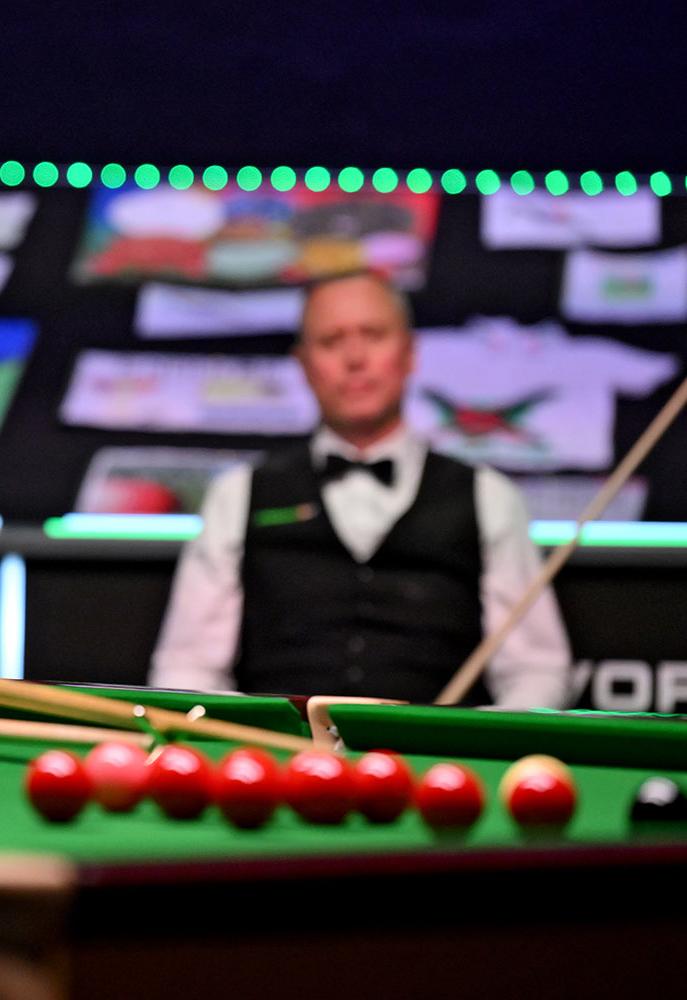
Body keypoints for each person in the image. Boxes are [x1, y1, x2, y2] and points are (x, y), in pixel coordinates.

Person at [149, 272, 572, 709]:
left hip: (435, 768)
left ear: (409, 353)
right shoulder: (237, 495)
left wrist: (473, 750)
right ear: (304, 365)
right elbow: (188, 667)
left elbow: (535, 672)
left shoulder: (490, 497)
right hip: (281, 766)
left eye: (373, 335)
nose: (354, 358)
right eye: (331, 341)